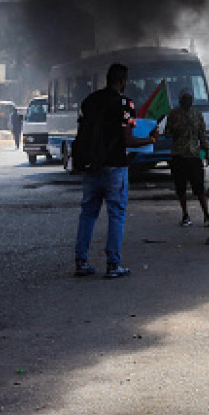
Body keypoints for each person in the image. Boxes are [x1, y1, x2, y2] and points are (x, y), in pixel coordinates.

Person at [72, 63, 161, 279]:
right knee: (116, 215)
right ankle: (113, 265)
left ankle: (81, 262)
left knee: (88, 213)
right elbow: (128, 138)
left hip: (92, 165)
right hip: (115, 167)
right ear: (122, 81)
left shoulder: (90, 101)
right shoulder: (125, 103)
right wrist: (150, 139)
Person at [163, 90, 209, 227]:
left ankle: (206, 215)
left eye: (189, 99)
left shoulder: (197, 115)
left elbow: (202, 135)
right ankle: (185, 214)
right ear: (180, 101)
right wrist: (174, 125)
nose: (188, 101)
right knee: (181, 188)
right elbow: (167, 134)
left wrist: (206, 152)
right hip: (178, 156)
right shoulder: (173, 115)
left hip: (193, 156)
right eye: (185, 99)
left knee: (199, 188)